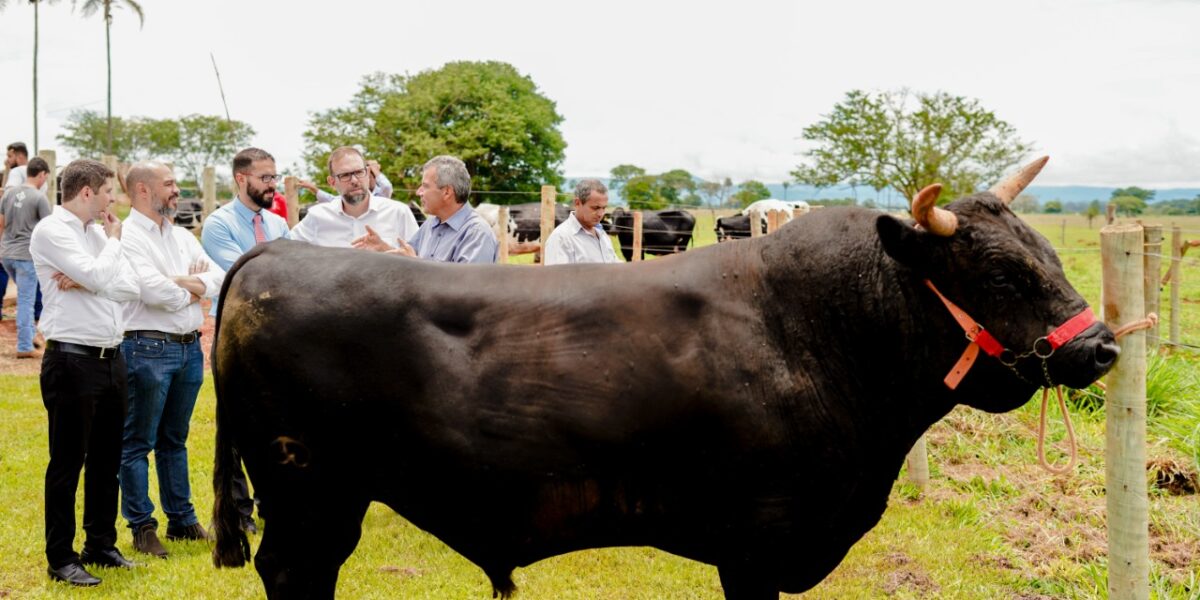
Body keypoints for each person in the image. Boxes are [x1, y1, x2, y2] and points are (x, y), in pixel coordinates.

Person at [29, 159, 141, 586]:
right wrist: (110, 248)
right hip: (71, 359)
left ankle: (101, 544)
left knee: (106, 460)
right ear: (88, 192)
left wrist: (93, 278)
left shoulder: (94, 233)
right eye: (109, 191)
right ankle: (61, 557)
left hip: (111, 356)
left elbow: (129, 286)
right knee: (67, 461)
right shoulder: (53, 231)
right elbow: (99, 272)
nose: (114, 200)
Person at [119, 162, 226, 558]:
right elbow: (152, 292)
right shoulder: (128, 236)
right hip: (146, 347)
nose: (177, 190)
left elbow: (218, 278)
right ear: (143, 190)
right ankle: (142, 526)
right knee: (136, 442)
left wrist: (183, 282)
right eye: (169, 184)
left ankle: (182, 520)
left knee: (174, 440)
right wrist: (191, 287)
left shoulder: (182, 236)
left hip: (187, 346)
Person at [199, 147, 289, 535]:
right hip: (238, 339)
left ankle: (275, 501)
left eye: (274, 177)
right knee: (235, 426)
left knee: (279, 422)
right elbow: (248, 276)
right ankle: (238, 511)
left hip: (279, 337)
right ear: (242, 179)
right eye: (265, 178)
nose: (273, 185)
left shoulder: (279, 225)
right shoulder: (218, 225)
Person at [291, 147, 418, 249]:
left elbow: (420, 261)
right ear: (332, 182)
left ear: (368, 173)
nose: (354, 180)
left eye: (359, 172)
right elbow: (285, 248)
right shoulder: (317, 217)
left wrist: (386, 250)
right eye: (345, 175)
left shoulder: (398, 213)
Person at [384, 155, 497, 263]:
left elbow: (467, 282)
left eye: (425, 186)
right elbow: (409, 254)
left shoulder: (477, 234)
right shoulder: (430, 223)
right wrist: (383, 249)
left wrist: (415, 265)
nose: (419, 192)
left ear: (447, 192)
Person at [1, 157, 53, 356]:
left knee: (24, 295)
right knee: (26, 300)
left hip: (7, 255)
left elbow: (1, 223)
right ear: (41, 174)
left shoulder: (8, 193)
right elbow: (49, 230)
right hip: (25, 255)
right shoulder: (39, 198)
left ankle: (30, 335)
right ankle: (24, 347)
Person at [543, 179, 620, 265]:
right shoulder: (561, 238)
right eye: (595, 208)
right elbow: (557, 277)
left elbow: (616, 268)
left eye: (604, 208)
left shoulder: (603, 235)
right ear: (577, 203)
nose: (601, 214)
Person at [297, 158, 393, 202]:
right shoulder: (352, 195)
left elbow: (387, 186)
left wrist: (375, 170)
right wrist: (312, 188)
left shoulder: (381, 194)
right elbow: (331, 199)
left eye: (361, 173)